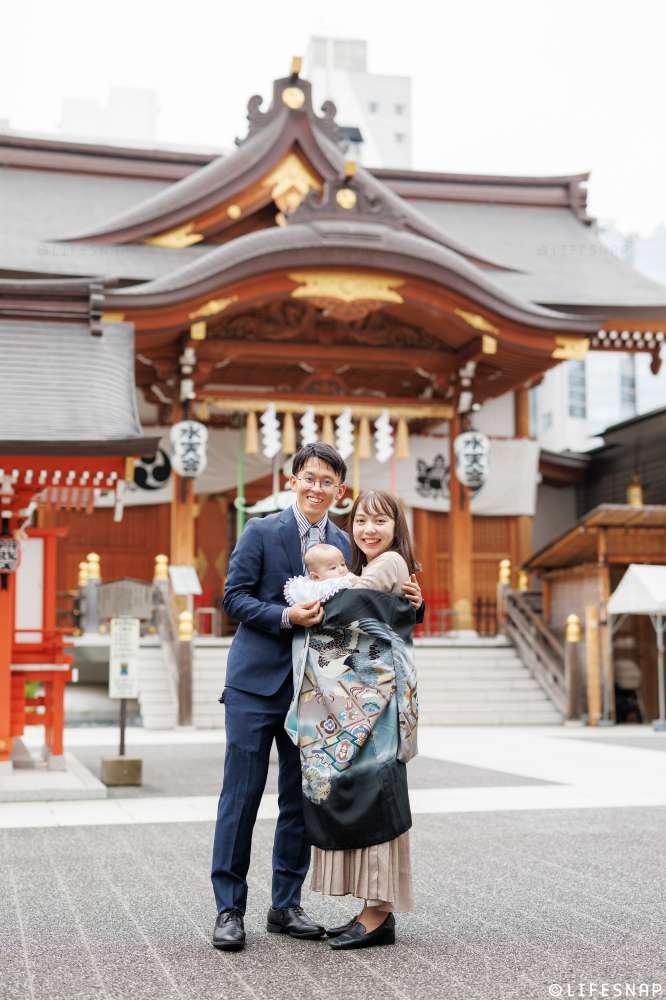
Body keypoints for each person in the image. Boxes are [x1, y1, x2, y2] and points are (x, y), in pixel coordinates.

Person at [211, 444, 422, 951]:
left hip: (316, 693)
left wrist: (416, 601)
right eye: (309, 477)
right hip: (256, 685)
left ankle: (285, 905)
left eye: (328, 481)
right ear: (293, 481)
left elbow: (369, 598)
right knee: (240, 796)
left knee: (297, 800)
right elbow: (233, 597)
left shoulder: (347, 543)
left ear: (339, 492)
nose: (317, 487)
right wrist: (287, 617)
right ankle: (228, 908)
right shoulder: (261, 530)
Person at [286, 489, 420, 951]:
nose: (368, 530)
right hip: (362, 707)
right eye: (361, 520)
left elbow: (352, 602)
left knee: (378, 796)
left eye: (380, 521)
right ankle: (371, 910)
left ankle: (379, 915)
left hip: (377, 711)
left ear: (395, 528)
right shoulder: (367, 569)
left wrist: (319, 589)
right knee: (365, 796)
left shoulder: (390, 565)